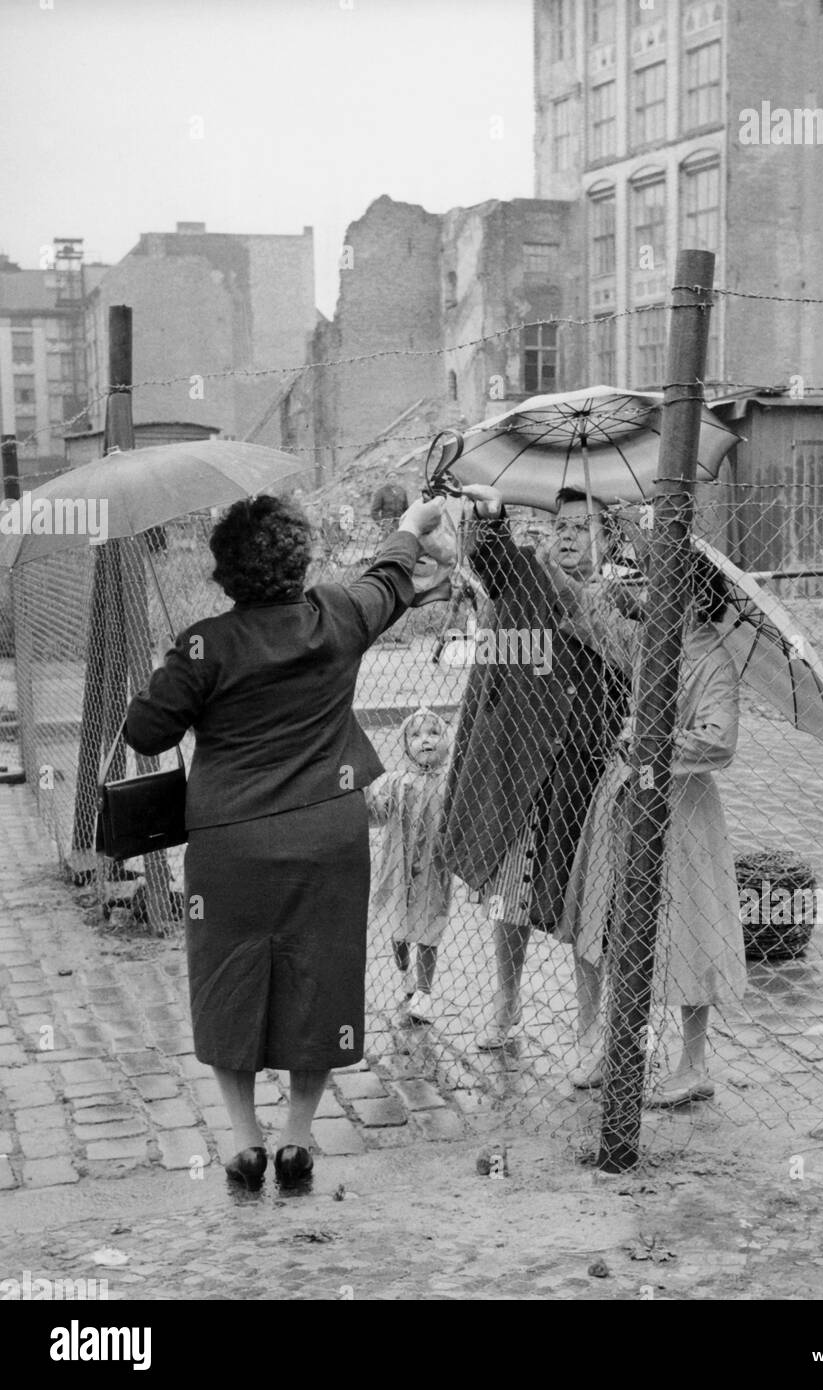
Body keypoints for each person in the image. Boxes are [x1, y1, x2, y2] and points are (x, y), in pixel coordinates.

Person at [124, 490, 444, 1189]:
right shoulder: (338, 613)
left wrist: (169, 670)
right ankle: (298, 1138)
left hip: (231, 847)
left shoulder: (203, 644)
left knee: (227, 978)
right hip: (328, 834)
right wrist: (411, 524)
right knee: (318, 973)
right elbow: (391, 574)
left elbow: (145, 731)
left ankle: (243, 1143)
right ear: (300, 562)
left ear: (223, 573)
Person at [550, 547, 747, 1106]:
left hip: (681, 810)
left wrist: (652, 743)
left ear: (694, 597)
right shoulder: (652, 646)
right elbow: (591, 625)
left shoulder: (713, 662)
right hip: (622, 797)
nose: (648, 596)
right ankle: (603, 1042)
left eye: (662, 587)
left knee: (687, 926)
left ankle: (692, 1063)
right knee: (599, 912)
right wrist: (588, 585)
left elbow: (719, 739)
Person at [441, 484, 628, 1049]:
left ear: (607, 537)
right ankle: (506, 1000)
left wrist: (581, 603)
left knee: (587, 902)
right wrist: (492, 517)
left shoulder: (622, 595)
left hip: (583, 771)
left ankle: (591, 1022)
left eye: (579, 526)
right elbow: (492, 559)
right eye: (559, 526)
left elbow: (631, 656)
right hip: (521, 764)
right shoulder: (527, 573)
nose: (565, 536)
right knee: (509, 890)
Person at [366, 708, 453, 1025]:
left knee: (430, 929)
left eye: (433, 732)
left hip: (434, 868)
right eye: (415, 735)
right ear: (405, 745)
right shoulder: (395, 781)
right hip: (397, 867)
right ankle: (405, 974)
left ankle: (425, 994)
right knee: (399, 931)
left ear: (444, 740)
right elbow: (374, 812)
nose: (425, 740)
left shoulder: (451, 781)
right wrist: (377, 803)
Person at [370, 469, 410, 537]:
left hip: (401, 525)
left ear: (397, 478)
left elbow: (406, 509)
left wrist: (405, 522)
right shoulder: (381, 492)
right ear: (387, 479)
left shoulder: (402, 491)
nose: (392, 479)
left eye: (394, 477)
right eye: (390, 477)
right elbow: (374, 512)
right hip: (387, 526)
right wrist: (382, 524)